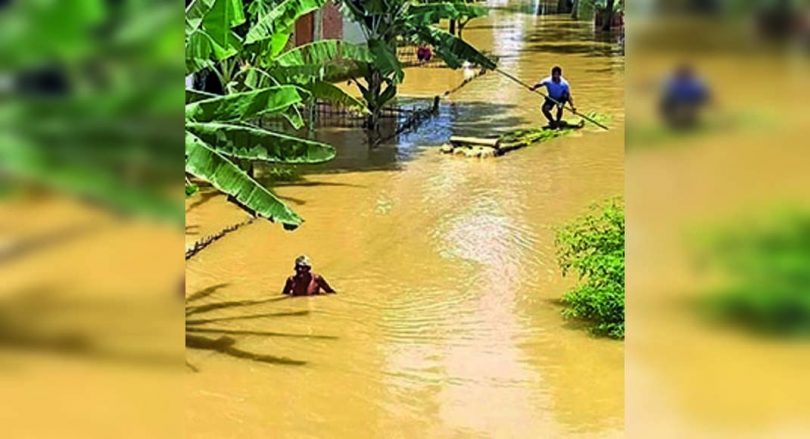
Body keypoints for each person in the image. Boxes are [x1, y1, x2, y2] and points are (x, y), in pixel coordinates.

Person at [659, 64, 709, 129]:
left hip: (685, 107)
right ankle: (682, 120)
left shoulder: (674, 83)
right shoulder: (695, 83)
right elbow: (704, 96)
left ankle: (682, 120)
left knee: (667, 101)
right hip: (685, 108)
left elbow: (703, 96)